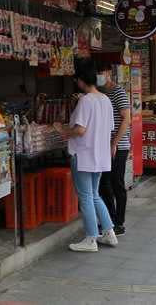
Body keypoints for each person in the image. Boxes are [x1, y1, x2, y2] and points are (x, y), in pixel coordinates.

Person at [54, 65, 118, 252]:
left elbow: (80, 130)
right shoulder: (105, 99)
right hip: (99, 155)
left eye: (77, 80)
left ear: (81, 81)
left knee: (86, 197)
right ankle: (109, 232)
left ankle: (91, 238)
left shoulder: (85, 101)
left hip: (83, 155)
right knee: (94, 195)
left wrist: (63, 130)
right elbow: (109, 127)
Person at [96, 64, 130, 236]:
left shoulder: (118, 92)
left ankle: (119, 223)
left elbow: (126, 119)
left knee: (117, 184)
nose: (99, 76)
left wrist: (114, 143)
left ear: (109, 73)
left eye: (101, 72)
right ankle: (110, 219)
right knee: (104, 183)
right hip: (105, 145)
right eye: (97, 74)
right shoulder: (100, 92)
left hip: (119, 146)